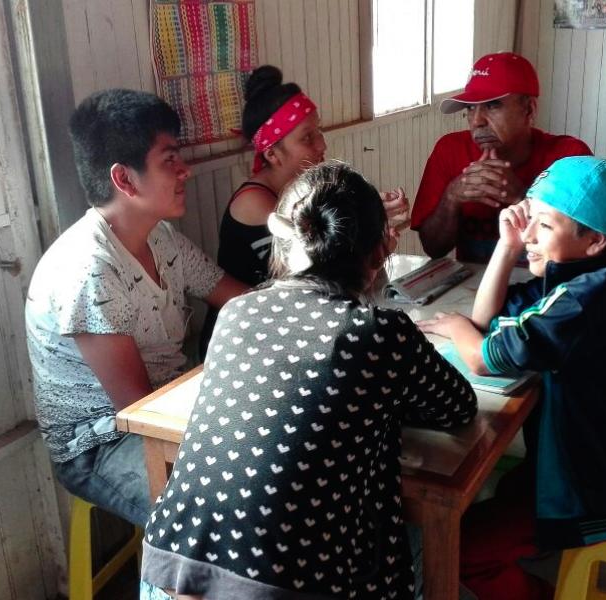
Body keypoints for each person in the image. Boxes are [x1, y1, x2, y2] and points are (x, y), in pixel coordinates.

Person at [141, 162, 478, 599]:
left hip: (169, 577)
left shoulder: (237, 313)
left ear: (286, 244)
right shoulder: (380, 334)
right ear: (379, 254)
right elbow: (458, 406)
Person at [417, 156, 606, 600]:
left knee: (463, 548)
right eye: (529, 220)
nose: (529, 237)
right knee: (499, 492)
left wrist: (454, 326)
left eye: (544, 225)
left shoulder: (582, 303)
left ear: (595, 240)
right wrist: (505, 247)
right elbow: (487, 318)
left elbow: (484, 356)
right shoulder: (585, 278)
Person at [25, 89, 249, 527]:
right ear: (124, 180)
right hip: (102, 443)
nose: (186, 170)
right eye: (170, 160)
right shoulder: (88, 270)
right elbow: (141, 411)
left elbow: (238, 299)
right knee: (213, 517)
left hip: (168, 407)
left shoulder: (160, 237)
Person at [200, 65, 410, 356]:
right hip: (246, 341)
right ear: (272, 153)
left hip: (288, 326)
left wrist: (372, 219)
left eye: (319, 131)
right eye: (307, 137)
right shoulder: (256, 203)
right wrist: (370, 232)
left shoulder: (303, 193)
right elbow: (326, 269)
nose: (322, 144)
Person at [410, 52, 592, 263]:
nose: (477, 121)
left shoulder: (568, 157)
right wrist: (452, 198)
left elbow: (585, 246)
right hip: (475, 289)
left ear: (529, 110)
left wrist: (523, 199)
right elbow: (434, 249)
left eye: (492, 105)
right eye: (470, 108)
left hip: (546, 287)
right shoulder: (450, 150)